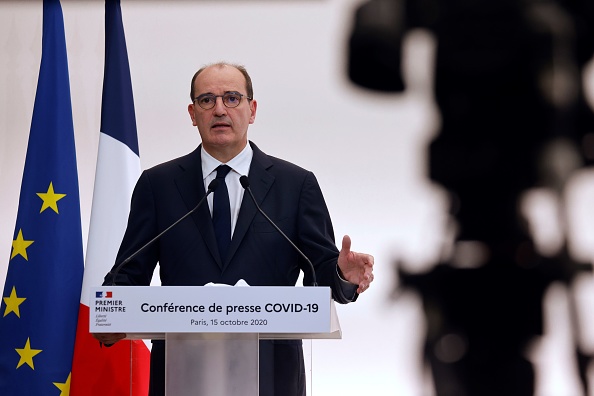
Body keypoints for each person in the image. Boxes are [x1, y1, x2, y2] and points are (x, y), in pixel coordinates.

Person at [93, 62, 375, 396]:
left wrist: (343, 274)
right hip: (182, 375)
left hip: (272, 376)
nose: (219, 109)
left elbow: (322, 273)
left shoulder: (295, 185)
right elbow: (129, 273)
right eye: (207, 100)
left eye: (231, 98)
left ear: (252, 110)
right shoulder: (159, 185)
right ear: (192, 113)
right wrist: (110, 311)